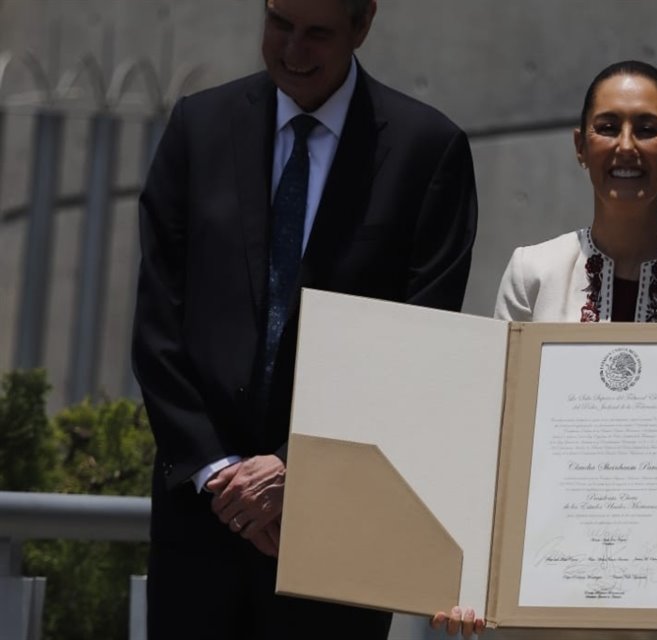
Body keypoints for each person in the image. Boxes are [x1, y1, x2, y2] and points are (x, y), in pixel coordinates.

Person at [131, 1, 478, 638]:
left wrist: (299, 469)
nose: (293, 49)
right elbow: (158, 323)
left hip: (337, 535)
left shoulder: (428, 153)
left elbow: (420, 350)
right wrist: (221, 476)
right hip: (199, 527)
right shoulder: (197, 128)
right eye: (279, 23)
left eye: (317, 33)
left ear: (363, 24)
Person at [433, 59, 657, 637]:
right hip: (537, 598)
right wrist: (470, 580)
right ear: (580, 146)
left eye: (647, 128)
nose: (627, 146)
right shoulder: (533, 271)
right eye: (608, 127)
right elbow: (489, 437)